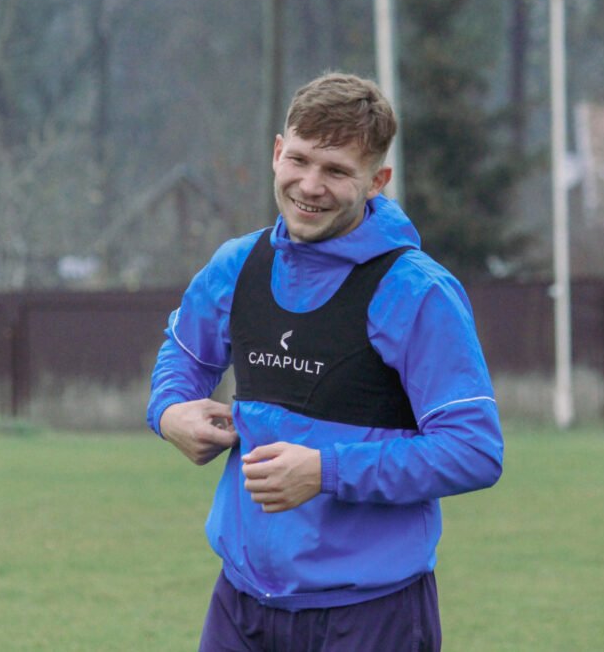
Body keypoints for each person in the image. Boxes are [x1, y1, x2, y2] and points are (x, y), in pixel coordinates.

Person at [147, 72, 503, 651]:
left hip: (370, 613)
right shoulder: (237, 265)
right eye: (300, 159)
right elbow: (182, 358)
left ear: (377, 181)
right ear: (277, 152)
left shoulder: (416, 291)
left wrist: (327, 471)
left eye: (336, 171)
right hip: (241, 604)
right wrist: (169, 413)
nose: (310, 185)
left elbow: (473, 451)